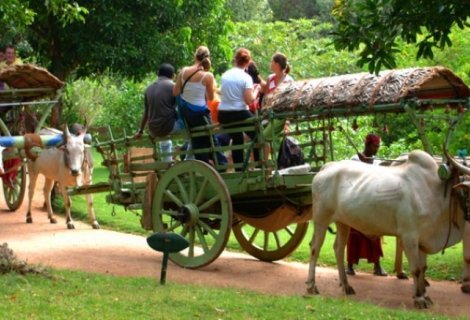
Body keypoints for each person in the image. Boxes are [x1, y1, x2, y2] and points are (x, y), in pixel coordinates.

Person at [173, 46, 226, 166]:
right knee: (211, 138)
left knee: (196, 139)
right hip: (201, 114)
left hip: (187, 114)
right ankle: (221, 164)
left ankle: (204, 164)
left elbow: (175, 92)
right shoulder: (208, 76)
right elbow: (211, 98)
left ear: (195, 56)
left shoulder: (183, 71)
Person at [346, 133, 388, 276]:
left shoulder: (376, 162)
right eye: (375, 146)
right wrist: (362, 164)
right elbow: (350, 180)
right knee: (354, 233)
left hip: (371, 203)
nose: (377, 149)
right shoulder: (354, 160)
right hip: (356, 202)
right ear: (368, 145)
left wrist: (369, 163)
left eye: (378, 147)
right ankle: (350, 266)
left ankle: (377, 266)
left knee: (374, 234)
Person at [218, 48, 260, 170]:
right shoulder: (246, 78)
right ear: (247, 63)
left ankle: (239, 169)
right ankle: (258, 166)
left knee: (237, 138)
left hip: (224, 114)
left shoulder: (225, 75)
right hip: (239, 113)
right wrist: (256, 91)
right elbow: (249, 100)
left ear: (235, 60)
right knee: (258, 135)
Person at [134, 63, 181, 162]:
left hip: (154, 130)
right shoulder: (173, 86)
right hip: (169, 127)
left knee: (165, 139)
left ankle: (166, 163)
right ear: (173, 76)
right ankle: (188, 156)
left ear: (158, 74)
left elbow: (146, 112)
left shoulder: (148, 89)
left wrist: (140, 131)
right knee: (191, 129)